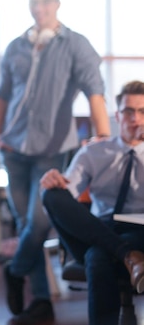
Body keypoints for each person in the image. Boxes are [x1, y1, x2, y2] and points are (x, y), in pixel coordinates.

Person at [0, 0, 111, 325]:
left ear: (57, 3)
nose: (38, 8)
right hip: (13, 148)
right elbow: (2, 94)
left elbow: (95, 91)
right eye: (33, 2)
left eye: (45, 1)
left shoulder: (75, 45)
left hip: (51, 150)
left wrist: (103, 132)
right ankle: (42, 301)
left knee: (39, 223)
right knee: (24, 222)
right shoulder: (16, 46)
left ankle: (14, 271)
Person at [41, 80, 144, 325]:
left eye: (143, 111)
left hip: (140, 231)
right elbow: (66, 191)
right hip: (100, 228)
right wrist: (52, 180)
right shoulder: (93, 152)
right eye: (129, 111)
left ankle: (127, 253)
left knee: (97, 257)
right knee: (50, 194)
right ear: (117, 116)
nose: (136, 119)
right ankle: (130, 256)